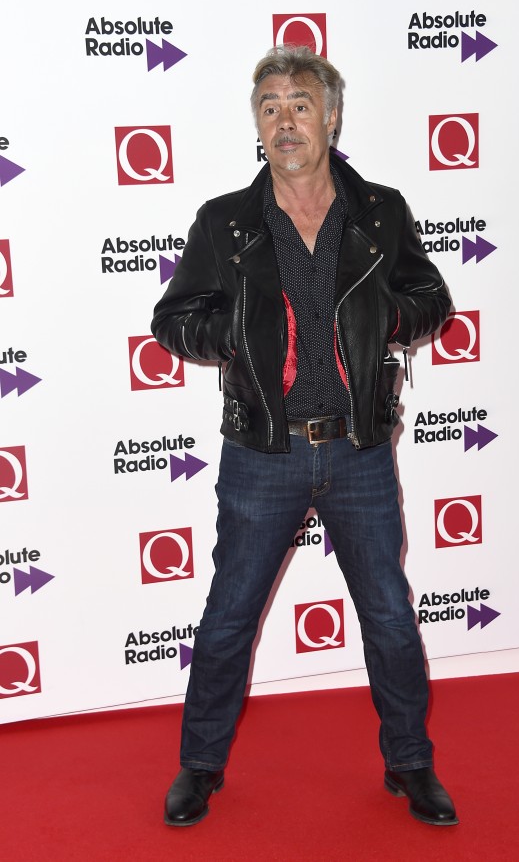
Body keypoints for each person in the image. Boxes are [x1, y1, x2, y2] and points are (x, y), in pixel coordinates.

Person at [151, 45, 458, 828]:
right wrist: (243, 329)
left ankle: (410, 762)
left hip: (358, 449)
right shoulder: (225, 221)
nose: (286, 120)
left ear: (331, 115)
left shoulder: (382, 210)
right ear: (257, 125)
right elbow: (173, 320)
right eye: (270, 106)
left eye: (299, 103)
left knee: (389, 612)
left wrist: (389, 318)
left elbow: (431, 296)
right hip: (262, 451)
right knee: (228, 616)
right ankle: (200, 765)